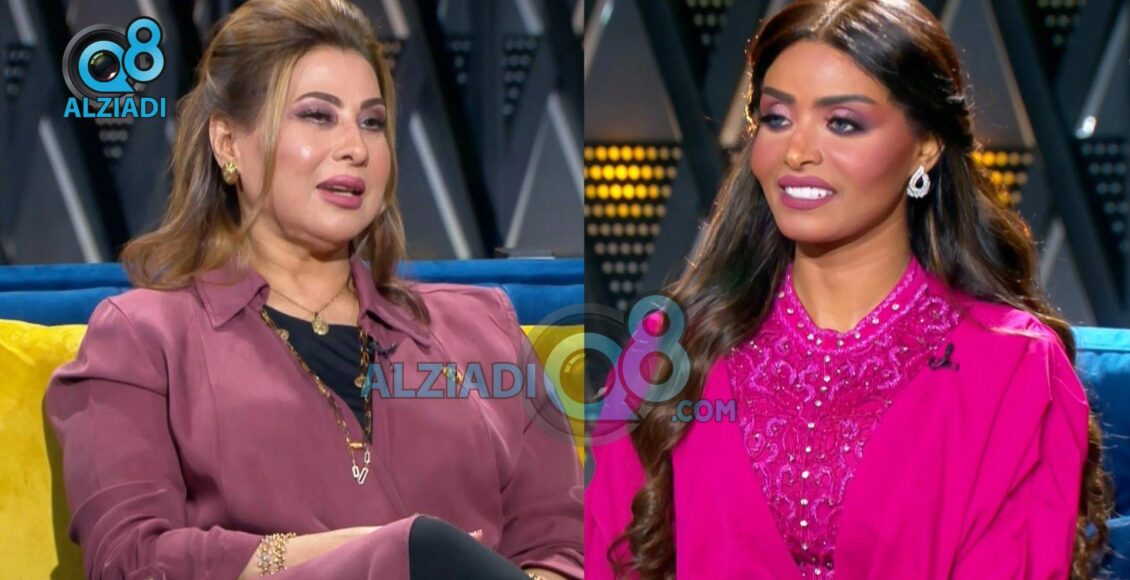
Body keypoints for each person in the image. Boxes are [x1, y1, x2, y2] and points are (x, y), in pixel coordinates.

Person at [44, 1, 582, 578]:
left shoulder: (484, 328)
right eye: (318, 115)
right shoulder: (142, 338)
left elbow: (561, 544)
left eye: (372, 122)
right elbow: (128, 560)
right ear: (228, 143)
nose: (356, 147)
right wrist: (371, 553)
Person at [584, 1, 1111, 578]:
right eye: (776, 119)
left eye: (843, 123)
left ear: (926, 146)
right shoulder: (666, 350)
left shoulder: (1012, 365)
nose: (796, 152)